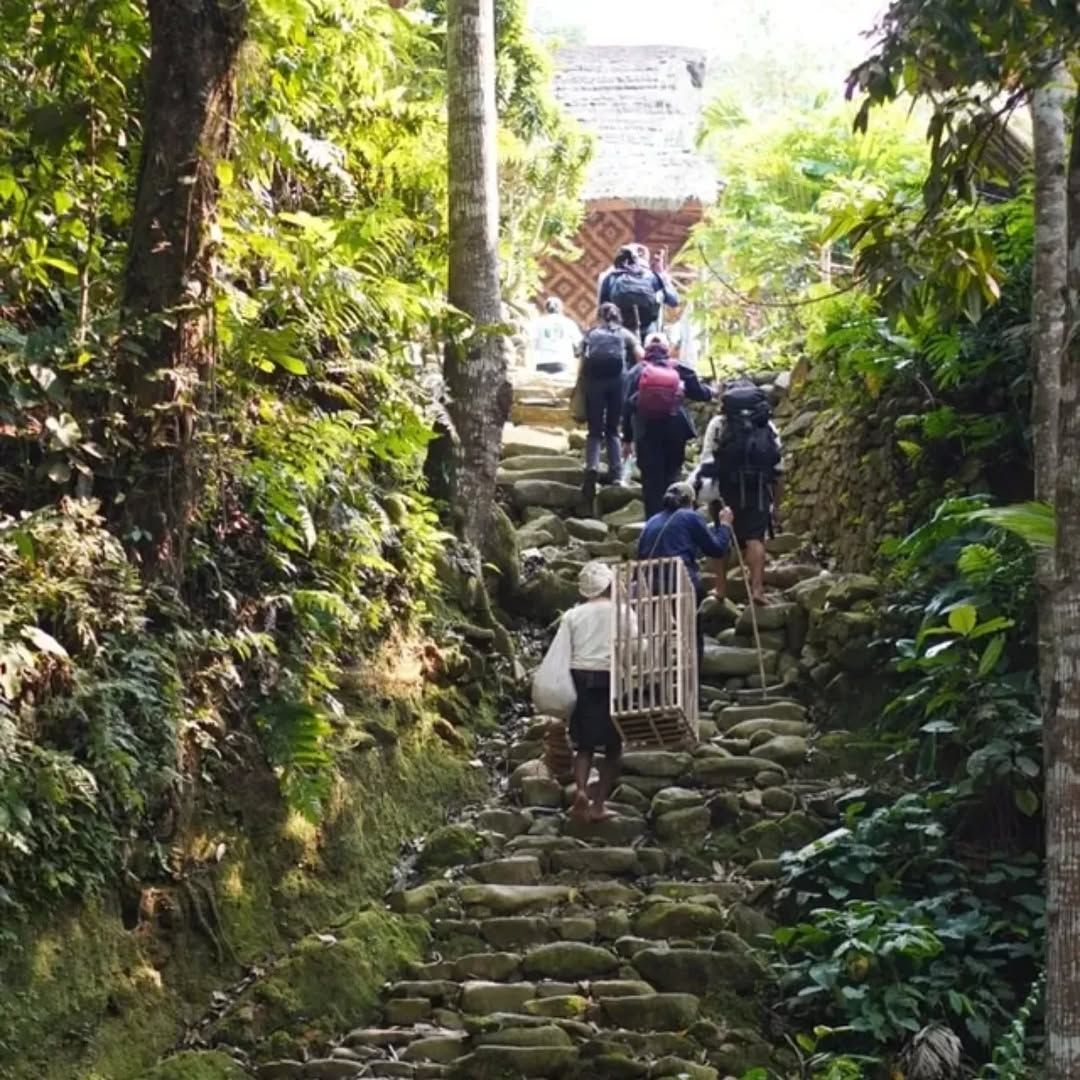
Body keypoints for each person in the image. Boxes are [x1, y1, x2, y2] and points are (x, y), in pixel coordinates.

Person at [690, 377, 784, 606]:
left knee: (721, 534)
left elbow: (707, 460)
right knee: (755, 539)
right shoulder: (767, 424)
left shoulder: (719, 423)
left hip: (725, 488)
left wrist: (702, 489)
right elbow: (779, 468)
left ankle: (720, 589)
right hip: (759, 490)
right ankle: (757, 590)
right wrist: (777, 507)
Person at [560, 561, 632, 822]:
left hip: (579, 678)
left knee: (584, 744)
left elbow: (562, 649)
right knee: (614, 746)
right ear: (610, 585)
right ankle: (599, 804)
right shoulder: (621, 611)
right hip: (609, 678)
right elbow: (634, 646)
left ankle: (580, 791)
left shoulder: (572, 615)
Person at [637, 482, 736, 669]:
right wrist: (725, 525)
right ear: (690, 501)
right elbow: (716, 549)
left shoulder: (651, 521)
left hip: (651, 586)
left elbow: (641, 553)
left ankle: (660, 675)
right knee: (691, 633)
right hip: (681, 584)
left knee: (659, 633)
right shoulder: (690, 517)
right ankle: (692, 683)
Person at [621, 333, 715, 518]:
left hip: (646, 431)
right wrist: (713, 391)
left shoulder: (636, 371)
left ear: (645, 350)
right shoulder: (679, 368)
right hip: (675, 429)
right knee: (672, 475)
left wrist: (627, 439)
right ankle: (673, 519)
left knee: (651, 481)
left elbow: (627, 407)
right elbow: (699, 393)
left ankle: (654, 525)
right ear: (667, 348)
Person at [579, 303, 644, 503]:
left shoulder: (591, 334)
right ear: (618, 316)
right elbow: (641, 356)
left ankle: (592, 466)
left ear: (599, 316)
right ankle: (616, 473)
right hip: (618, 382)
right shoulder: (624, 334)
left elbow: (581, 360)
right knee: (613, 429)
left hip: (594, 383)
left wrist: (580, 385)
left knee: (594, 430)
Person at [598, 245, 679, 342]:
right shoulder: (652, 277)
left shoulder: (611, 278)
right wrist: (662, 274)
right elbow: (674, 300)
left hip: (620, 333)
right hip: (649, 333)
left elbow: (602, 310)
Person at [530, 297, 581, 376]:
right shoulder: (569, 323)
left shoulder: (537, 322)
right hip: (562, 363)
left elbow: (531, 341)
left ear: (545, 309)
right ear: (561, 309)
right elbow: (579, 343)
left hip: (542, 363)